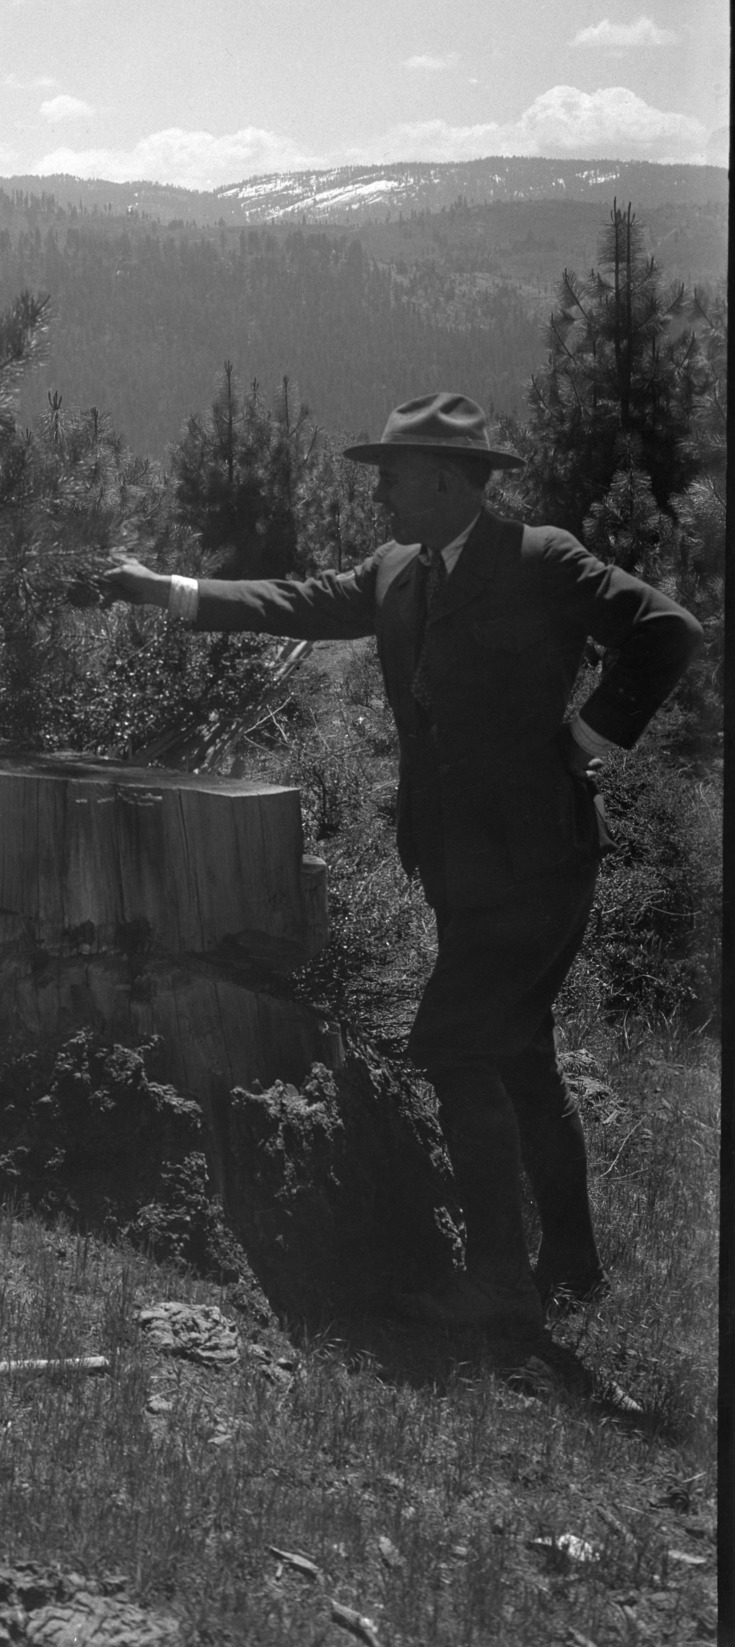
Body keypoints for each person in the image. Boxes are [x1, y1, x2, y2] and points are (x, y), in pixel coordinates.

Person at [102, 391, 703, 1342]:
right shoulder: (397, 571)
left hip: (539, 860)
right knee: (520, 1054)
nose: (378, 491)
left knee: (456, 1044)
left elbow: (666, 630)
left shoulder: (537, 557)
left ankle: (501, 1285)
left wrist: (588, 735)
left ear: (446, 480)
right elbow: (294, 600)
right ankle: (571, 1264)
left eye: (391, 474)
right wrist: (163, 588)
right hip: (461, 869)